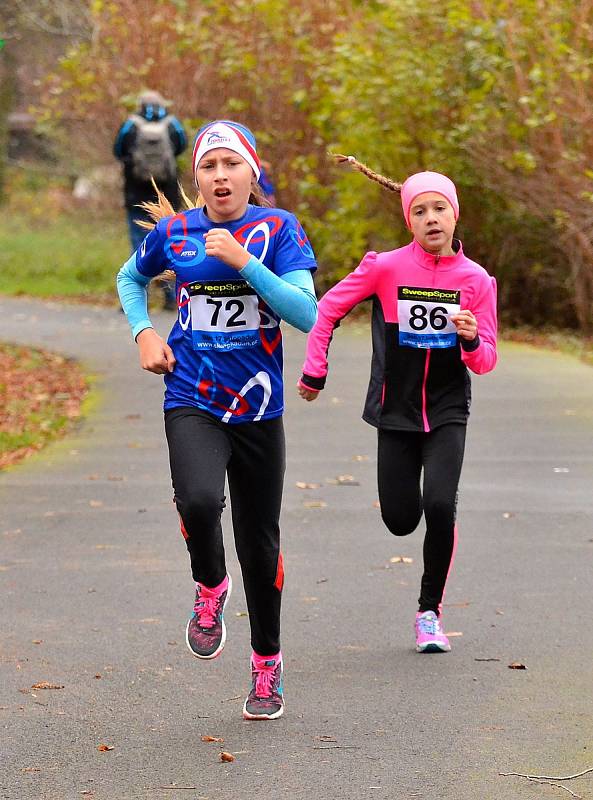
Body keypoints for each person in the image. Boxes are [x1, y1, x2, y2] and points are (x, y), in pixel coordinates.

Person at [116, 120, 318, 719]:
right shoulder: (176, 232)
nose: (220, 176)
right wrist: (143, 332)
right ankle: (209, 584)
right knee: (199, 501)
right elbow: (131, 277)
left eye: (232, 164)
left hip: (258, 407)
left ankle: (266, 666)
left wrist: (245, 264)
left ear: (252, 173)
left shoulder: (278, 230)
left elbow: (305, 313)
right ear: (195, 176)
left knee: (260, 545)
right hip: (191, 396)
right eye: (209, 167)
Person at [298, 157, 497, 654]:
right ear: (408, 220)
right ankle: (421, 579)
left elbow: (487, 361)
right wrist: (314, 371)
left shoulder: (477, 281)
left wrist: (472, 340)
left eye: (440, 209)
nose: (431, 218)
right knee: (401, 518)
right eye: (421, 211)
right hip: (396, 411)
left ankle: (429, 613)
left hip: (448, 410)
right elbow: (327, 309)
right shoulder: (386, 268)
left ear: (455, 216)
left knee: (440, 504)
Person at [113, 90, 188, 310]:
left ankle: (134, 300)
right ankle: (171, 299)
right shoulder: (173, 125)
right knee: (169, 245)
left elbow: (117, 150)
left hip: (136, 196)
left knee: (138, 247)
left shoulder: (131, 125)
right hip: (167, 197)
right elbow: (181, 147)